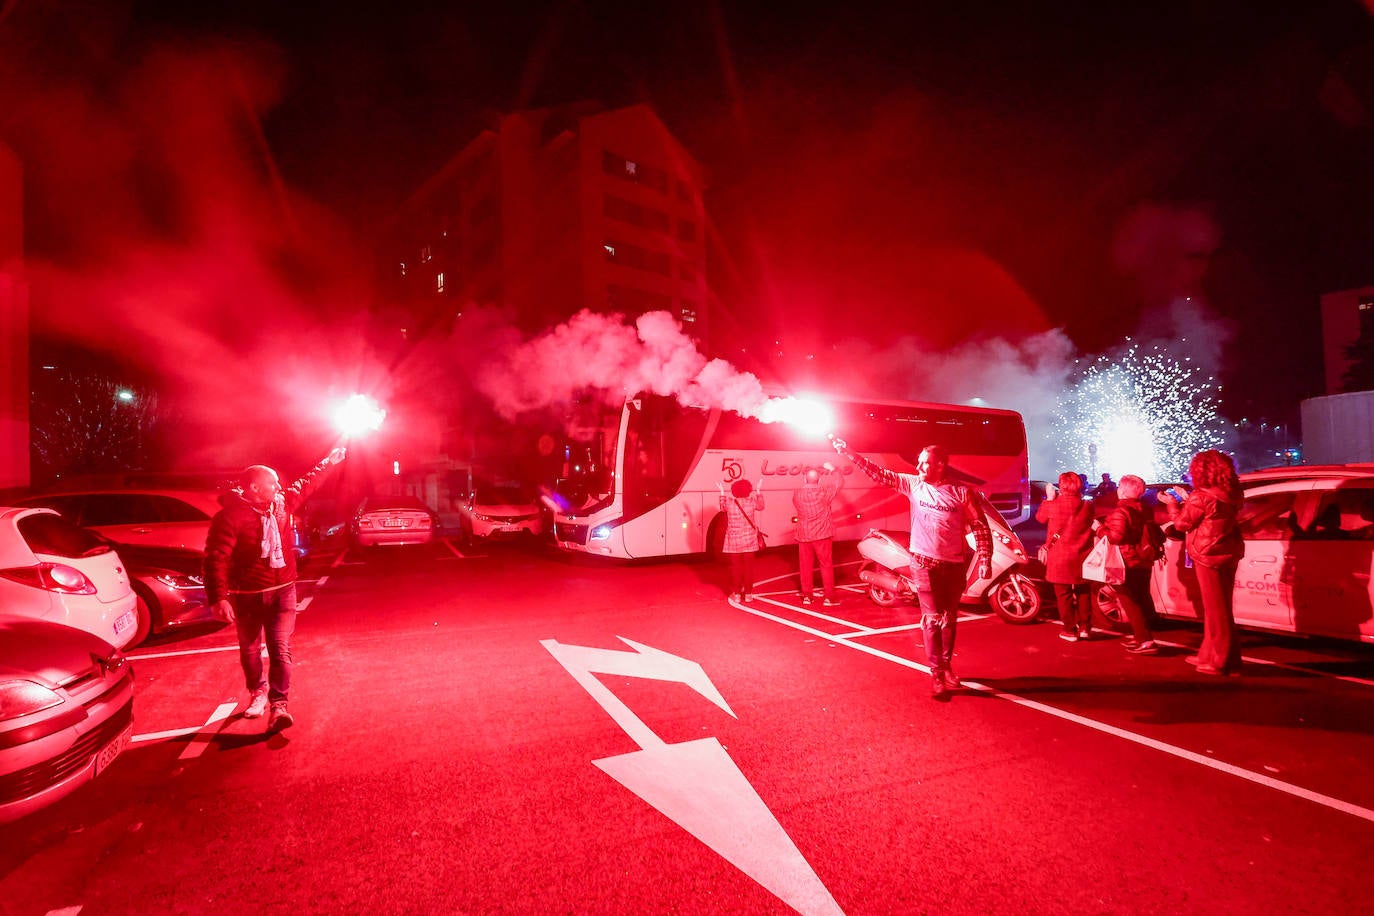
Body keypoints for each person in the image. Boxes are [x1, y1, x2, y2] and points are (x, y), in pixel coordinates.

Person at [832, 438, 991, 700]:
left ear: (940, 465)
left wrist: (984, 558)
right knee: (931, 619)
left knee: (949, 619)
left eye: (925, 463)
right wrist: (850, 453)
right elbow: (879, 473)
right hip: (923, 562)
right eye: (918, 462)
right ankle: (936, 673)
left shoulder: (963, 492)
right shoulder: (913, 484)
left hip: (953, 565)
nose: (918, 466)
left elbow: (980, 526)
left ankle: (947, 666)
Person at [205, 447, 347, 729]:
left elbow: (307, 483)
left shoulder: (281, 504)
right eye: (272, 483)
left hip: (283, 589)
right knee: (250, 650)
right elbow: (215, 557)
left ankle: (279, 706)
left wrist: (330, 461)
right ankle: (257, 693)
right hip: (247, 595)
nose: (278, 486)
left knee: (280, 648)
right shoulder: (230, 517)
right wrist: (218, 597)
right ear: (254, 487)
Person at [1160, 450, 1245, 676]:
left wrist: (1171, 504)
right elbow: (1211, 514)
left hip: (1207, 556)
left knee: (1216, 611)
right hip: (1227, 551)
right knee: (1219, 608)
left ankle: (1220, 661)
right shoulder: (1233, 492)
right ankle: (1210, 654)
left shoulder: (1201, 496)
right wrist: (1187, 497)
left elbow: (1182, 524)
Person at [1099, 474, 1161, 654]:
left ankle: (1145, 640)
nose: (1117, 489)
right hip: (1145, 558)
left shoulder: (1121, 511)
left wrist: (1099, 529)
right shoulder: (1146, 509)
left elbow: (1116, 537)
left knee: (1129, 599)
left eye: (1119, 486)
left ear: (1124, 491)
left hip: (1128, 560)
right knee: (1141, 597)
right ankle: (1141, 636)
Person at [1035, 471, 1097, 641]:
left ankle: (1069, 630)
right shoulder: (1087, 506)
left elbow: (1040, 518)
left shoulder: (1054, 505)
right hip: (1082, 555)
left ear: (1061, 486)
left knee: (1063, 595)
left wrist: (1049, 498)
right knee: (1083, 592)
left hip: (1060, 556)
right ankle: (1086, 627)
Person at [793, 462, 842, 607]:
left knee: (805, 567)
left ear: (804, 479)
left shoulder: (797, 493)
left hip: (804, 535)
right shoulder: (824, 493)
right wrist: (834, 469)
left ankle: (807, 596)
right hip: (822, 535)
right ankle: (829, 597)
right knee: (826, 565)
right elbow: (839, 482)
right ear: (819, 480)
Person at [719, 477, 764, 603]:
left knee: (736, 568)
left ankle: (737, 594)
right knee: (748, 568)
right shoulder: (751, 502)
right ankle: (748, 594)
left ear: (733, 491)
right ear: (749, 491)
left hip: (734, 541)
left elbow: (722, 507)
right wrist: (759, 490)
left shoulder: (729, 503)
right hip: (749, 540)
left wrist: (722, 492)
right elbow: (761, 506)